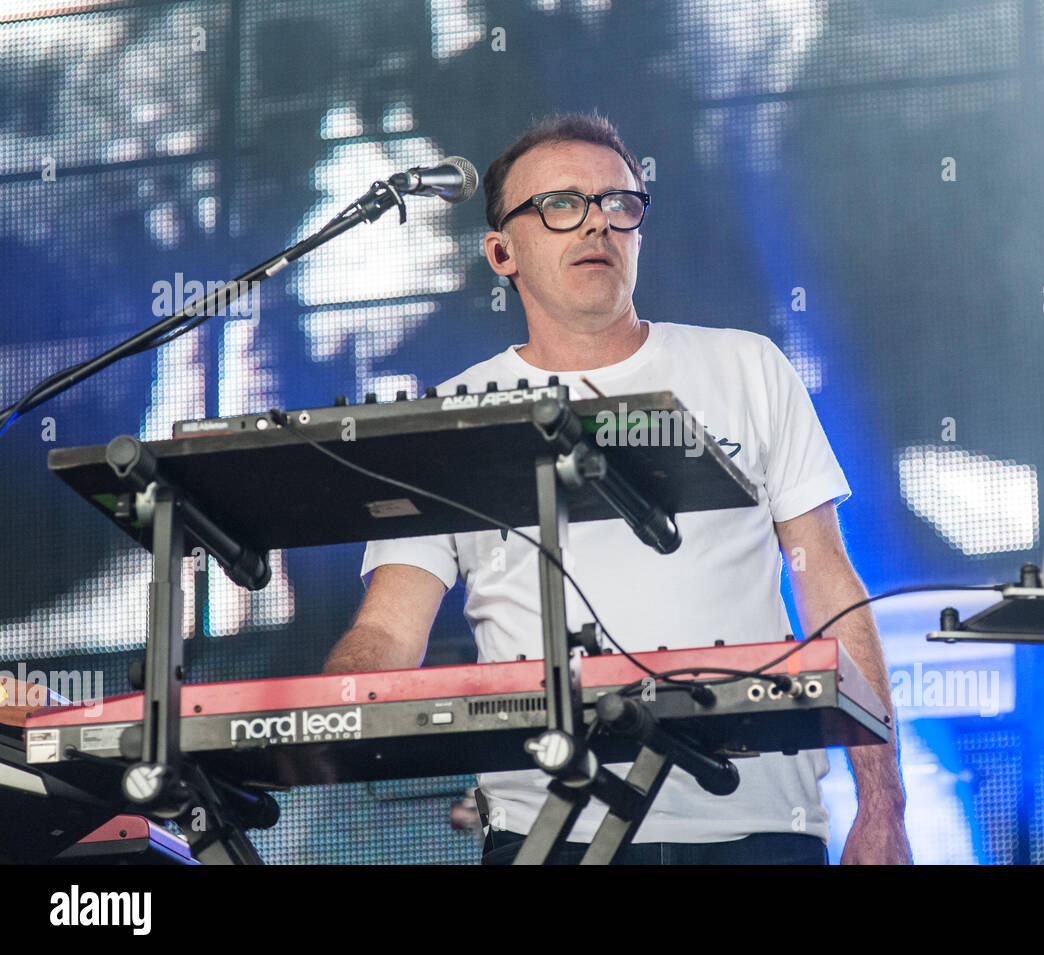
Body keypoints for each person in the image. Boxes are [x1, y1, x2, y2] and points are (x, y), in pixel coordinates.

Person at [323, 112, 910, 865]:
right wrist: (310, 715)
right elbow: (389, 629)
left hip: (760, 823)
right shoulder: (450, 416)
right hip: (546, 834)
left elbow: (827, 581)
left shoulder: (748, 367)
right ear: (501, 250)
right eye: (562, 205)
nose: (597, 223)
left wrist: (882, 797)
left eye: (619, 205)